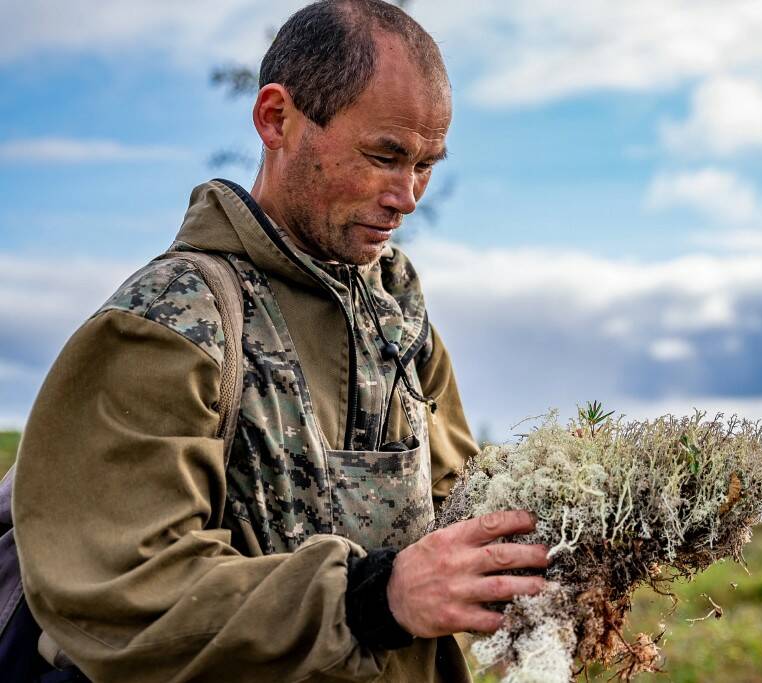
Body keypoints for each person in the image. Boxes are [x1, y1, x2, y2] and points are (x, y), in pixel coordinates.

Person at [12, 2, 549, 681]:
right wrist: (372, 599)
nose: (408, 194)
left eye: (425, 165)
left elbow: (462, 510)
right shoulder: (165, 325)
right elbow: (119, 592)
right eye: (384, 155)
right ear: (276, 119)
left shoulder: (404, 327)